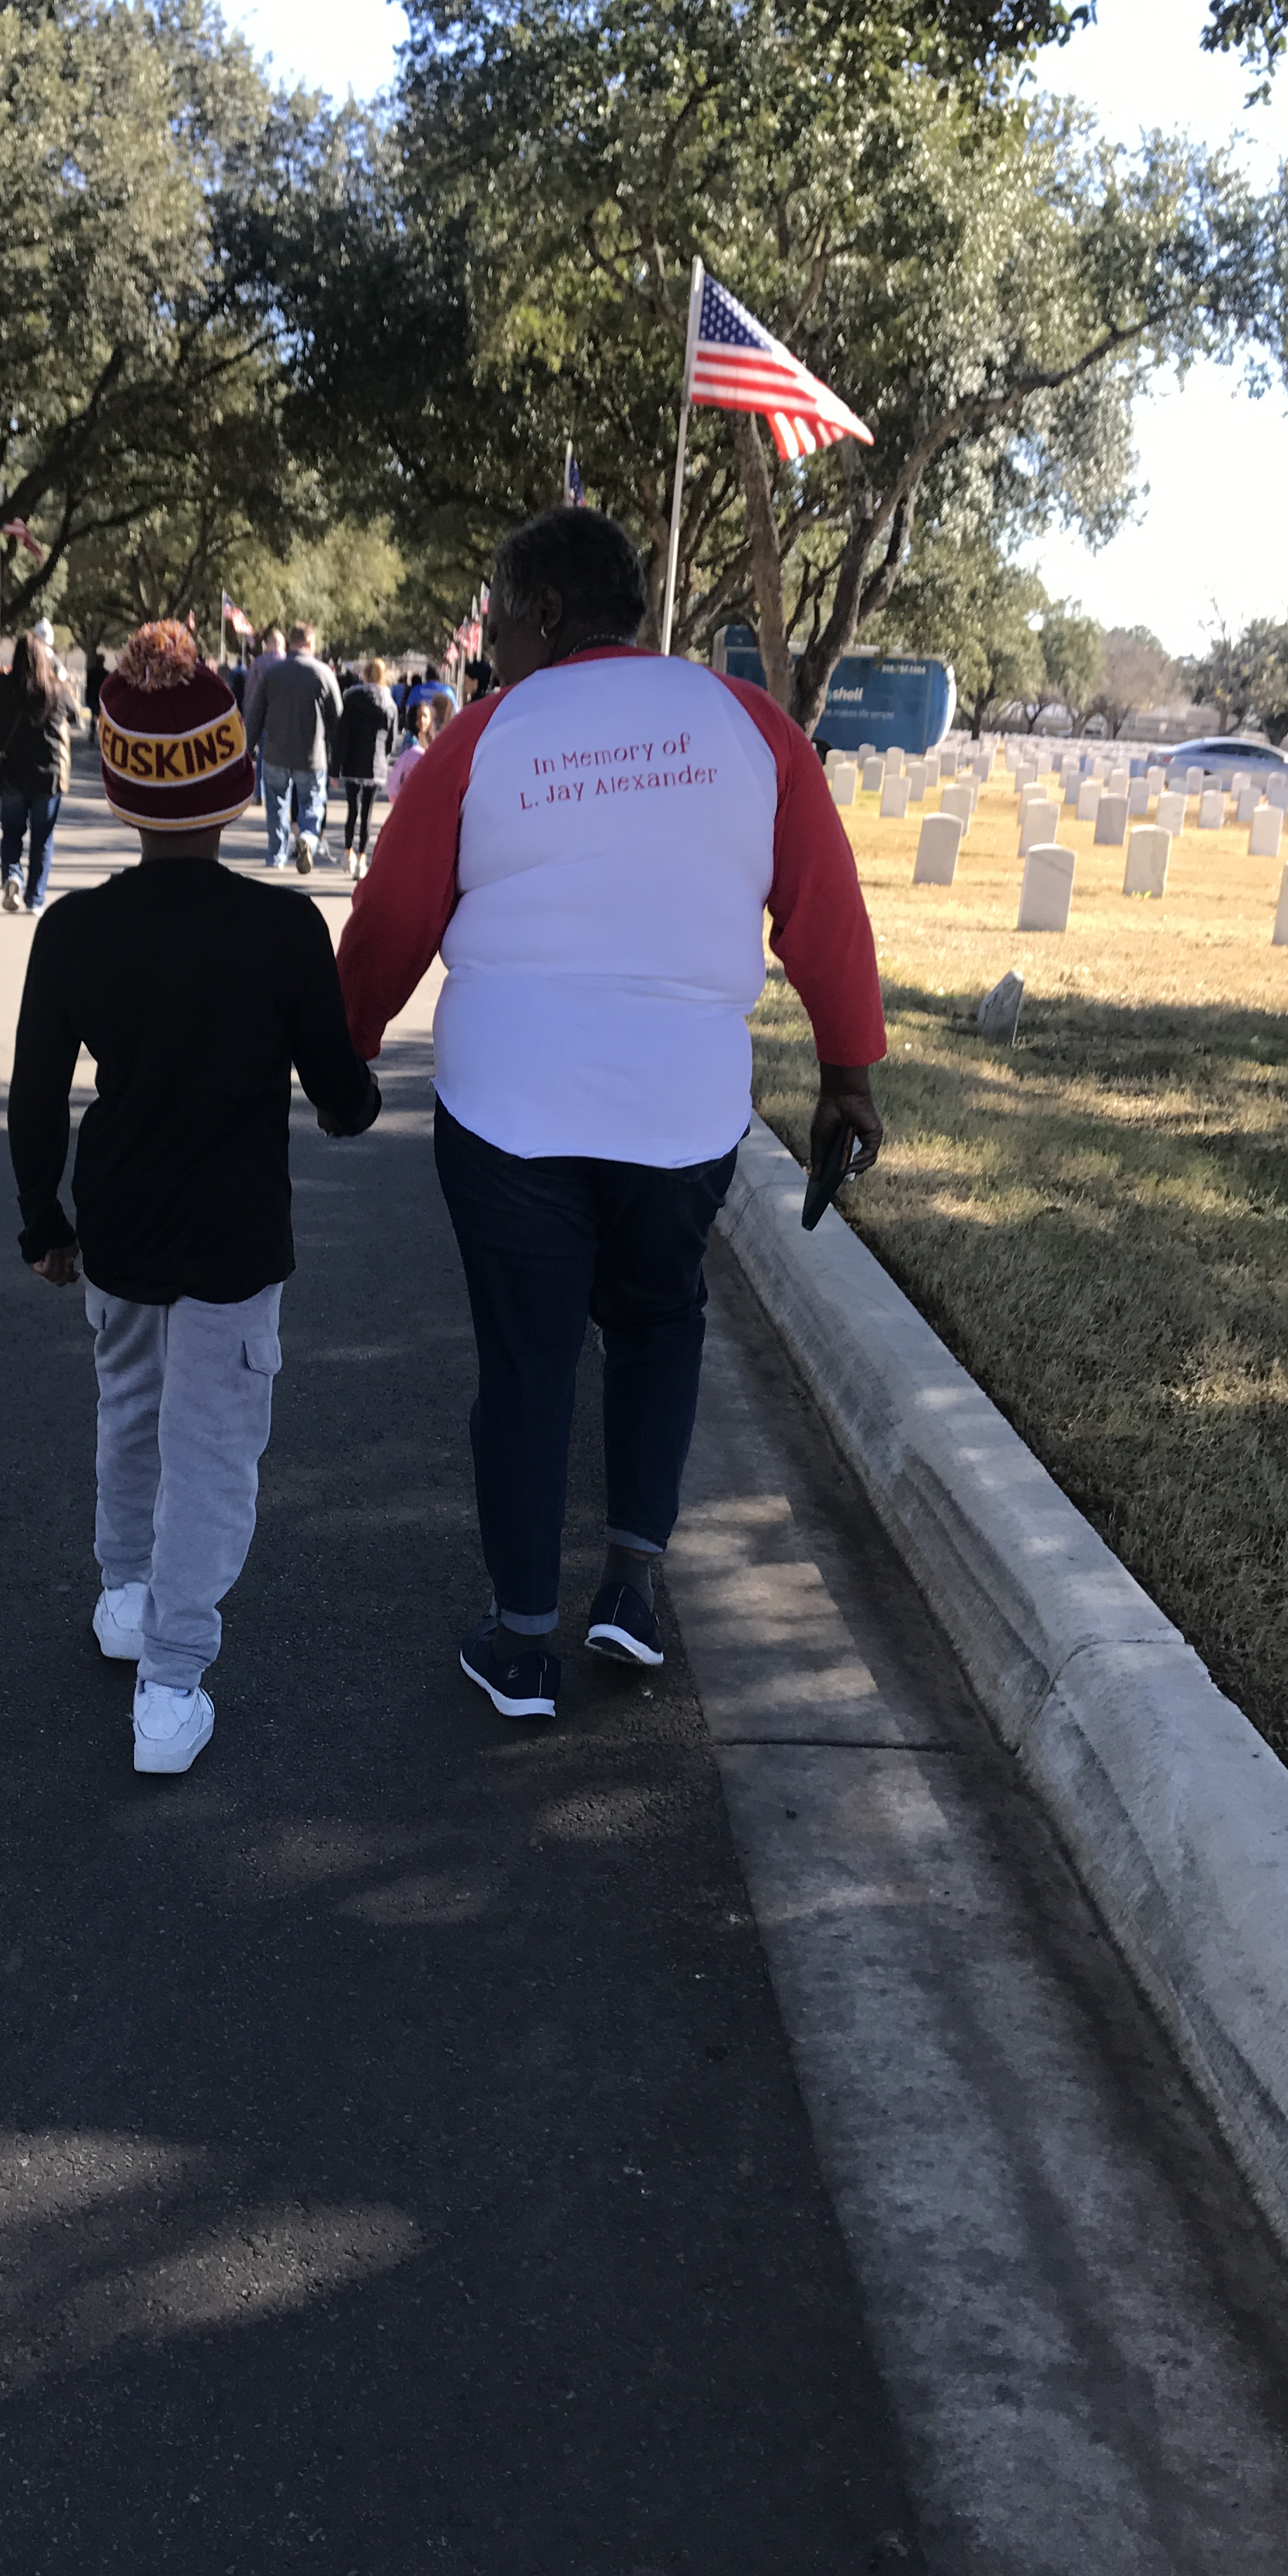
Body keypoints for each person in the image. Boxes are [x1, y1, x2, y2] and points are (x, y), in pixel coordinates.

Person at [339, 505, 885, 1724]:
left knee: (525, 1363)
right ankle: (630, 1588)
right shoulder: (748, 727)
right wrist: (847, 1068)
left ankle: (519, 1642)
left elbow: (391, 918)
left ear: (540, 611)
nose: (485, 638)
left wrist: (347, 1043)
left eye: (492, 607)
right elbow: (822, 906)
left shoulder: (485, 735)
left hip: (507, 1105)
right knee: (656, 1325)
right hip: (681, 1109)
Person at [8, 620, 380, 1775]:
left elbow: (32, 1099)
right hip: (232, 1234)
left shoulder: (73, 930)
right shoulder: (280, 927)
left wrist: (44, 1225)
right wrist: (344, 1093)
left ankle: (124, 1593)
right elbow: (342, 1098)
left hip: (116, 1224)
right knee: (211, 1452)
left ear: (119, 788)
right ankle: (170, 1684)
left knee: (127, 1411)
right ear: (231, 781)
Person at [242, 620, 340, 875]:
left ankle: (276, 855)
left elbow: (255, 713)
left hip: (275, 751)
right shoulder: (323, 673)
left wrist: (249, 748)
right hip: (312, 755)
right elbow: (337, 717)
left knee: (276, 805)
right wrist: (336, 757)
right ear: (310, 643)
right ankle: (307, 838)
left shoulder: (272, 673)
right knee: (312, 803)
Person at [0, 628, 72, 913]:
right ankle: (35, 899)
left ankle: (13, 875)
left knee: (12, 833)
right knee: (42, 839)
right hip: (47, 775)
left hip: (12, 771)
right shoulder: (56, 690)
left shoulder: (1, 686)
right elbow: (73, 714)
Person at [336, 656, 395, 880]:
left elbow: (343, 733)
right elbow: (391, 737)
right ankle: (362, 858)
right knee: (368, 813)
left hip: (353, 759)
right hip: (376, 762)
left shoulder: (352, 699)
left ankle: (348, 852)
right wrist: (385, 758)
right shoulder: (390, 703)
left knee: (352, 809)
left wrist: (336, 766)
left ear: (366, 675)